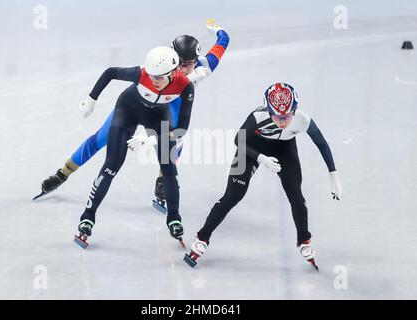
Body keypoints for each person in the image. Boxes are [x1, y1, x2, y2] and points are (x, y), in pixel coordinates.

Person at [35, 19, 230, 208]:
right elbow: (116, 73)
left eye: (188, 64)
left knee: (175, 138)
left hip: (170, 107)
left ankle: (163, 178)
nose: (182, 69)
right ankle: (63, 173)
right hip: (137, 104)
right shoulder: (159, 64)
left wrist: (217, 29)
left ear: (196, 60)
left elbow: (222, 43)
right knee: (102, 138)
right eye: (179, 63)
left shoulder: (205, 66)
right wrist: (92, 98)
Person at [184, 83, 343, 270]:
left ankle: (304, 240)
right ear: (268, 111)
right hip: (251, 150)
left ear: (295, 110)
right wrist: (261, 158)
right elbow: (238, 140)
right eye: (277, 116)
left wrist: (334, 175)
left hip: (284, 150)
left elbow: (322, 143)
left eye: (287, 116)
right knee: (232, 196)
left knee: (296, 195)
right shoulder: (257, 117)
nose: (283, 121)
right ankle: (202, 237)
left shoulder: (303, 120)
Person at [73, 46, 194, 248]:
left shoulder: (186, 87)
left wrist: (154, 139)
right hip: (128, 109)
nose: (154, 81)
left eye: (159, 78)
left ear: (173, 73)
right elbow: (111, 72)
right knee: (112, 164)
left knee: (169, 169)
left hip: (158, 117)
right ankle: (87, 216)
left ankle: (174, 217)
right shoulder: (142, 73)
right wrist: (91, 99)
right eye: (152, 76)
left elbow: (182, 128)